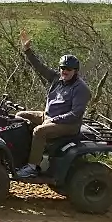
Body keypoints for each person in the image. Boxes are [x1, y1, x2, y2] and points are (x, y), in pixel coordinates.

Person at [15, 31, 92, 179]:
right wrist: (27, 51)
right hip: (49, 115)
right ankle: (26, 153)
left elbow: (76, 114)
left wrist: (54, 120)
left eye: (68, 69)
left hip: (68, 124)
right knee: (19, 117)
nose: (65, 71)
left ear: (75, 71)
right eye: (62, 68)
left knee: (39, 131)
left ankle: (32, 167)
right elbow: (40, 67)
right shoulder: (58, 79)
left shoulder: (80, 89)